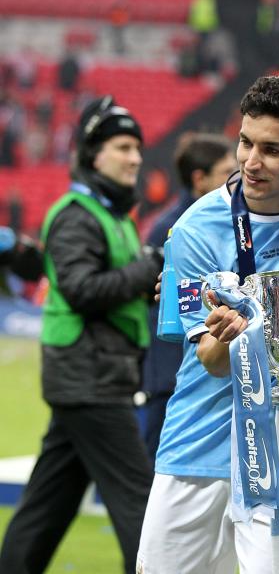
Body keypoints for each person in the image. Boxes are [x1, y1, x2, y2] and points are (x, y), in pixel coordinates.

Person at [136, 75, 279, 574]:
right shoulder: (194, 232)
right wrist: (231, 335)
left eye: (272, 150)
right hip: (200, 445)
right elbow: (207, 360)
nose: (251, 162)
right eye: (246, 143)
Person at [0, 97, 161, 574]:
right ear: (94, 154)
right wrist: (147, 268)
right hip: (92, 379)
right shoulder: (77, 215)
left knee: (46, 508)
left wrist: (146, 281)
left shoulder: (110, 217)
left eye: (138, 147)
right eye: (123, 146)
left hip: (91, 375)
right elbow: (81, 290)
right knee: (142, 505)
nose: (135, 157)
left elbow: (116, 290)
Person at [140, 132, 236, 463]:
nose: (235, 180)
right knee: (158, 475)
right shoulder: (172, 228)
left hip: (209, 366)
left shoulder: (232, 222)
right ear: (199, 178)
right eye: (226, 173)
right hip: (170, 373)